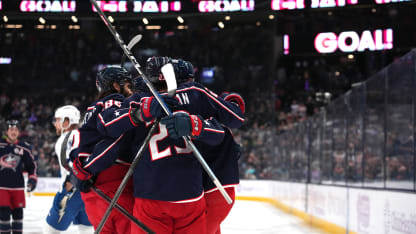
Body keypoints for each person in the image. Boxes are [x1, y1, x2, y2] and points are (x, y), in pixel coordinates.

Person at [91, 57, 245, 234]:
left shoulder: (138, 100)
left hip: (150, 195)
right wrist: (226, 104)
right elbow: (234, 120)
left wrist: (141, 112)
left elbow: (105, 123)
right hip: (193, 193)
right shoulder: (195, 93)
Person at [71, 65, 137, 234]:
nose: (132, 91)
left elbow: (79, 146)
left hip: (90, 188)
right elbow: (115, 134)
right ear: (116, 86)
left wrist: (82, 169)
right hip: (114, 181)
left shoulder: (91, 109)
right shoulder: (114, 100)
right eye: (128, 85)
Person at [43, 105, 93, 234]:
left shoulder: (65, 139)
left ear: (66, 121)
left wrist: (67, 188)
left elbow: (71, 164)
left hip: (72, 191)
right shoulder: (85, 134)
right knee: (86, 228)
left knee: (50, 229)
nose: (55, 124)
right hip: (88, 191)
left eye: (58, 120)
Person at [0, 120, 37, 234]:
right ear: (7, 131)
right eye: (11, 129)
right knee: (4, 216)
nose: (13, 132)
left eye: (16, 130)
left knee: (18, 216)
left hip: (18, 188)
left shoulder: (25, 148)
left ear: (19, 132)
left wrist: (32, 180)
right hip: (2, 188)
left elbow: (32, 167)